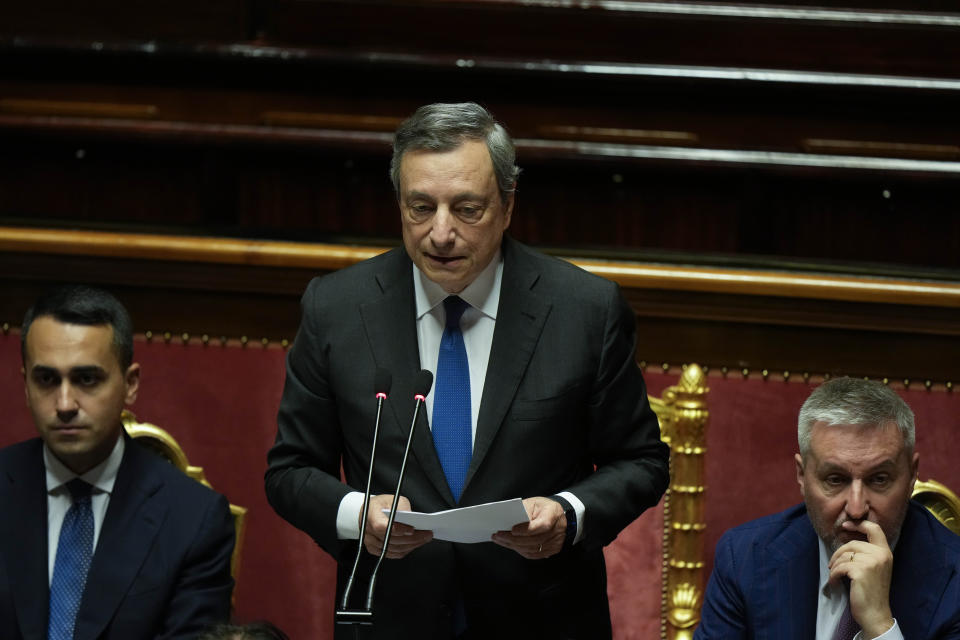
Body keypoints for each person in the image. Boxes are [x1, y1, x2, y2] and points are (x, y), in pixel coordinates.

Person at [265, 102, 669, 639]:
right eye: (420, 207)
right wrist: (355, 513)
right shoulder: (336, 308)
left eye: (467, 209)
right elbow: (289, 471)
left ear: (506, 206)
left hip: (541, 616)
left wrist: (568, 513)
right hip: (393, 616)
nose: (440, 232)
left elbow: (641, 460)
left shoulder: (583, 310)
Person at [0, 285, 235, 640]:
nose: (64, 403)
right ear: (25, 386)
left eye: (87, 379)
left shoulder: (193, 520)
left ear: (130, 384)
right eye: (46, 379)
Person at [695, 377, 960, 639]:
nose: (856, 509)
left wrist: (880, 626)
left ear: (912, 474)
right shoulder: (745, 559)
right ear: (801, 474)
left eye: (879, 479)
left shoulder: (954, 582)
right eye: (835, 479)